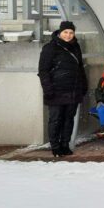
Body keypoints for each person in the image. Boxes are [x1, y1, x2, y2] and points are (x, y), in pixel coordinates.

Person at [37, 20, 88, 157]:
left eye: (71, 32)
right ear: (60, 32)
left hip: (73, 90)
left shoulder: (76, 46)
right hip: (56, 90)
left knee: (68, 119)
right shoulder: (50, 48)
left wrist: (83, 85)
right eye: (65, 32)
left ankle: (65, 144)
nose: (68, 35)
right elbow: (43, 71)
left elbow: (80, 68)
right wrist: (48, 90)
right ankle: (55, 147)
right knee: (55, 119)